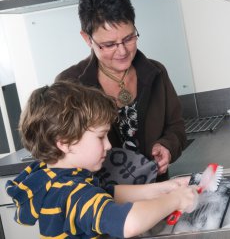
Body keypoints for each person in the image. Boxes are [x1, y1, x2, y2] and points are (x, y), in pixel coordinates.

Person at [5, 81, 198, 238]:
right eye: (100, 137)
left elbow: (107, 193)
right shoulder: (72, 193)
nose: (108, 145)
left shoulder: (52, 179)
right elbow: (129, 224)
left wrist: (165, 188)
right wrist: (175, 200)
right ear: (65, 142)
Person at [55, 0, 186, 183]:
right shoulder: (70, 85)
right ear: (87, 39)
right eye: (109, 45)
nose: (122, 51)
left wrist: (166, 146)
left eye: (129, 38)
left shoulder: (156, 72)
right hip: (102, 203)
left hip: (157, 191)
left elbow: (176, 127)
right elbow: (64, 156)